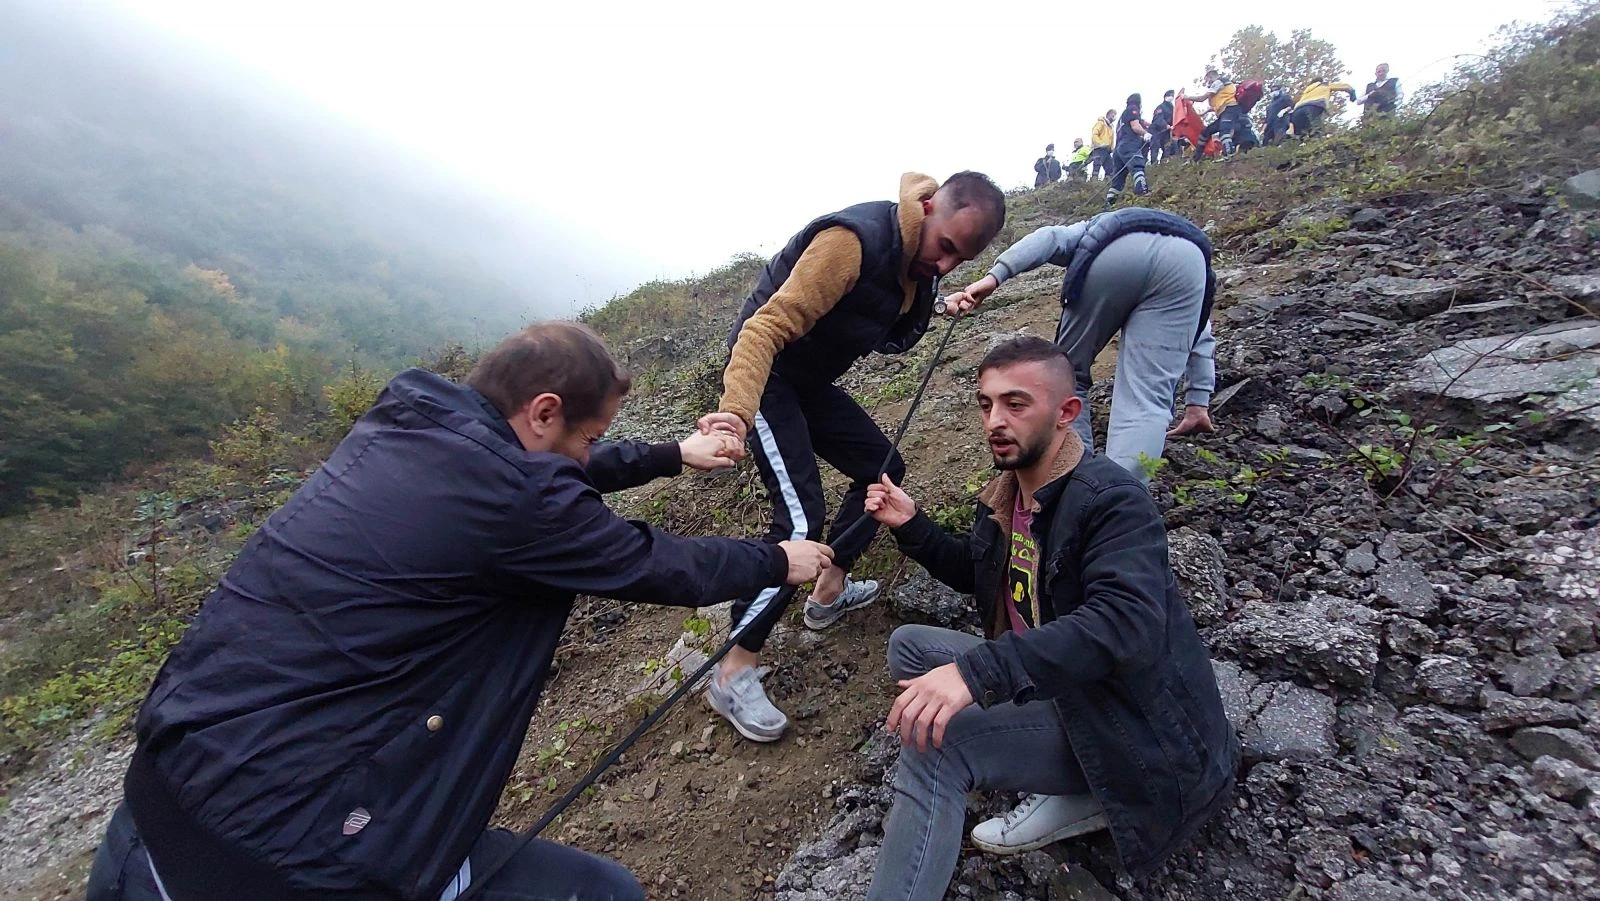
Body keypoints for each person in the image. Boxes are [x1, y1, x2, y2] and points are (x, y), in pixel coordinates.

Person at [85, 322, 838, 901]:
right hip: (277, 856)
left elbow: (535, 475)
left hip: (152, 811)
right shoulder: (519, 498)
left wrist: (667, 454)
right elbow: (651, 561)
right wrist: (779, 559)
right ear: (543, 410)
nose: (590, 453)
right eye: (591, 436)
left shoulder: (409, 430)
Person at [860, 337, 1238, 901]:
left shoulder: (1113, 501)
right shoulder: (1009, 492)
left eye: (1016, 404)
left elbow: (1123, 624)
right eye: (986, 404)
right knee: (911, 646)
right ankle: (1052, 770)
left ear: (1067, 413)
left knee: (935, 749)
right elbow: (983, 574)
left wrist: (976, 674)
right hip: (1063, 687)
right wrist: (912, 526)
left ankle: (1089, 788)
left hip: (1128, 729)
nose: (995, 420)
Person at [702, 171, 1007, 743]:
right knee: (798, 520)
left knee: (884, 469)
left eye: (960, 260)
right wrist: (736, 414)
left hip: (809, 384)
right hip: (767, 378)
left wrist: (938, 308)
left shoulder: (917, 273)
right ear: (931, 206)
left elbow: (886, 330)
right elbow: (763, 328)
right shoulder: (853, 242)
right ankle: (732, 668)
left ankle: (828, 589)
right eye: (946, 247)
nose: (945, 265)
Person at [941, 208, 1218, 483]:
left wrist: (994, 278)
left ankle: (1077, 485)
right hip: (1190, 262)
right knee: (1147, 397)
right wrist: (1197, 402)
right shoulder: (1184, 245)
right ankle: (1123, 499)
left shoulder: (1097, 223)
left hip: (1114, 249)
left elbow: (1049, 238)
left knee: (1069, 376)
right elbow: (1199, 329)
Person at [1105, 93, 1150, 208]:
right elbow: (1135, 126)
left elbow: (1141, 122)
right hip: (1129, 144)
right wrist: (1145, 133)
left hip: (1118, 149)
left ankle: (1109, 204)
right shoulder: (1133, 109)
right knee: (1137, 166)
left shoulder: (1122, 117)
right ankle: (1142, 192)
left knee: (1118, 178)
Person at [1189, 68, 1243, 159]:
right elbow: (1219, 103)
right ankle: (1196, 158)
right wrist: (1204, 112)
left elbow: (1202, 98)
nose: (1207, 83)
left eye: (1207, 80)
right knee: (1205, 132)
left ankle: (1229, 153)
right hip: (1225, 111)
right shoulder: (1223, 86)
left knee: (1224, 131)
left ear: (1210, 77)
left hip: (1230, 109)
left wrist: (1187, 97)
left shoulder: (1218, 82)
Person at [1291, 76, 1358, 138]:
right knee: (1317, 128)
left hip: (1297, 110)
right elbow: (1345, 86)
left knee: (1300, 132)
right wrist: (1352, 93)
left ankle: (1300, 143)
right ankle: (1318, 143)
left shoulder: (1306, 91)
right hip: (1314, 105)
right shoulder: (1324, 85)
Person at [1147, 90, 1175, 164]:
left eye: (1173, 95)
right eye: (1170, 95)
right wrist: (1165, 125)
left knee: (1167, 148)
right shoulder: (1161, 107)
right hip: (1156, 131)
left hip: (1166, 132)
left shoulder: (1172, 108)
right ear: (1165, 96)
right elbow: (1158, 118)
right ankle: (1154, 166)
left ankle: (1163, 166)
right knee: (1155, 149)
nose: (1171, 97)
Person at [1088, 110, 1115, 180]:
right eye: (1113, 115)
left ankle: (1107, 182)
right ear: (1108, 115)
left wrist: (1111, 148)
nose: (1114, 117)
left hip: (1107, 150)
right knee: (1097, 165)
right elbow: (1094, 134)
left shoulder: (1111, 128)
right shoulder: (1101, 123)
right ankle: (1094, 181)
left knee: (1110, 167)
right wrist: (1100, 143)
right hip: (1099, 148)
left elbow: (1111, 139)